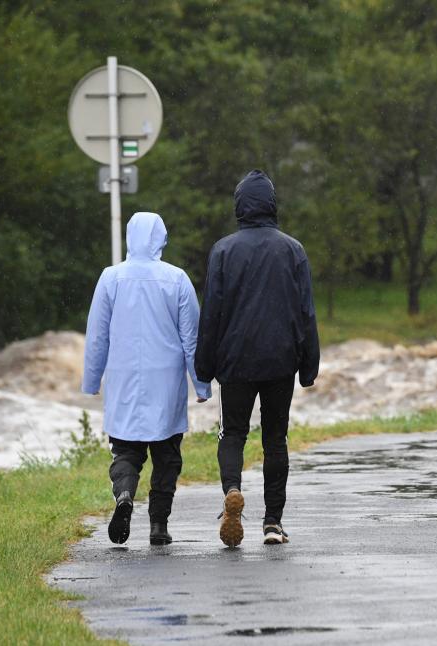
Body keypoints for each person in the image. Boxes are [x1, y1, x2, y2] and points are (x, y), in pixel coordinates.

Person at [195, 170, 319, 547]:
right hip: (280, 360)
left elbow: (212, 313)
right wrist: (309, 366)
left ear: (239, 206)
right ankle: (272, 522)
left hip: (235, 362)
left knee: (232, 433)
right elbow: (306, 312)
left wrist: (204, 365)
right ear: (271, 204)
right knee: (275, 438)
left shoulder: (223, 251)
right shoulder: (293, 250)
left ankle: (232, 491)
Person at [82, 211, 211, 546]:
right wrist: (201, 383)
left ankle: (124, 493)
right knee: (167, 456)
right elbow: (191, 338)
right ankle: (158, 525)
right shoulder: (177, 279)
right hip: (165, 382)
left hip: (123, 380)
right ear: (161, 239)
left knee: (125, 450)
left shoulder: (110, 278)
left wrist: (91, 381)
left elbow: (97, 336)